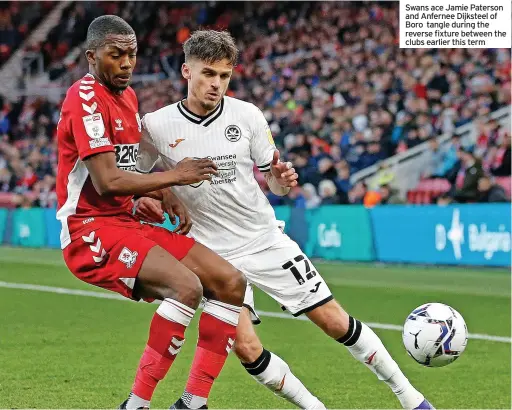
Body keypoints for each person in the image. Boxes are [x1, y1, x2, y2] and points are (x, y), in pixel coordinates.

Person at [135, 30, 434, 410]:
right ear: (186, 71)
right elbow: (134, 178)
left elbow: (273, 182)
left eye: (224, 76)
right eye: (208, 74)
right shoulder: (156, 126)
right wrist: (162, 191)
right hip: (211, 253)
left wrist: (280, 179)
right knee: (245, 347)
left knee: (333, 320)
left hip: (263, 240)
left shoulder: (247, 116)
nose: (216, 84)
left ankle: (412, 400)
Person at [55, 17, 248, 410]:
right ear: (92, 57)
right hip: (88, 231)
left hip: (126, 221)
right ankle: (137, 405)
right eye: (116, 55)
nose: (127, 63)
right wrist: (175, 177)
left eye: (132, 54)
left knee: (230, 282)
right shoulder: (85, 98)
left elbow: (130, 167)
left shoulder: (127, 97)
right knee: (187, 287)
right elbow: (108, 181)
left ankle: (194, 402)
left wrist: (162, 189)